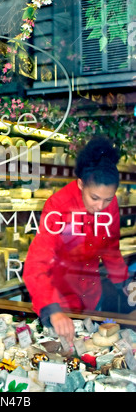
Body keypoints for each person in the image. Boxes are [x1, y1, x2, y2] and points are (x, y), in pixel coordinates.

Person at [23, 136, 130, 343]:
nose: (101, 207)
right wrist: (54, 310)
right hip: (57, 299)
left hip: (90, 297)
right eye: (95, 198)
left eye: (108, 199)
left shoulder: (110, 204)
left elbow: (110, 249)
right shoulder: (58, 205)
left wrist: (123, 283)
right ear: (80, 184)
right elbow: (36, 265)